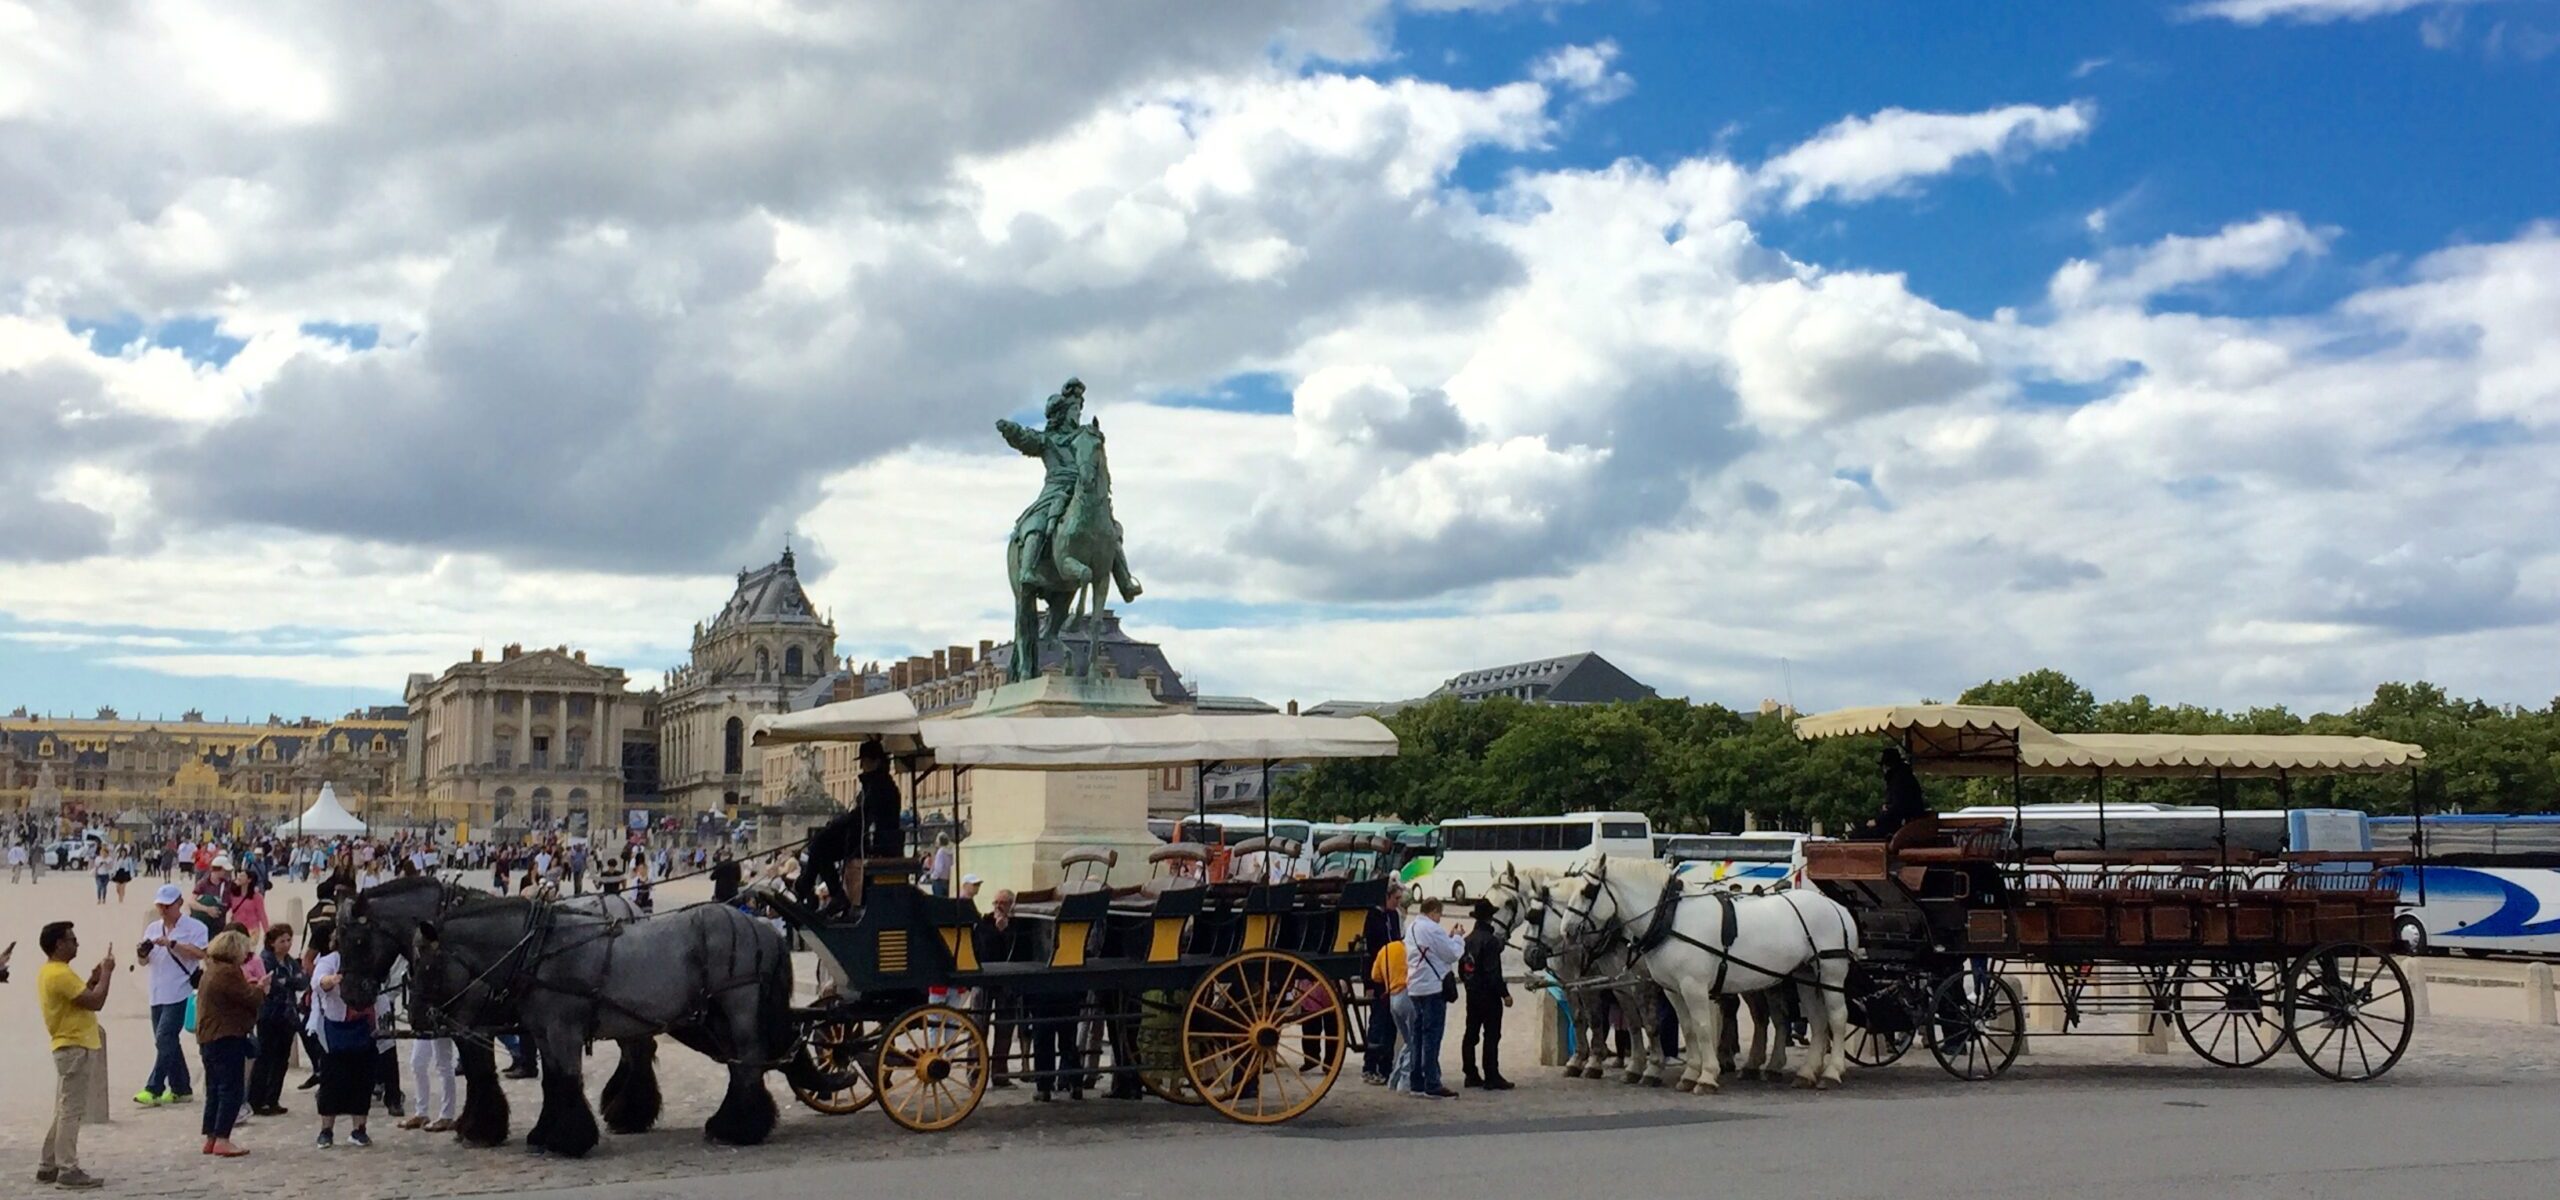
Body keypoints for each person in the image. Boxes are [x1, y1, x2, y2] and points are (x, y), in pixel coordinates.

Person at [36, 920, 113, 1190]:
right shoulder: (60, 974)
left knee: (64, 1108)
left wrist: (92, 979)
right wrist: (106, 974)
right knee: (71, 1111)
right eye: (72, 940)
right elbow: (96, 1001)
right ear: (59, 944)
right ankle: (67, 1168)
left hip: (70, 1044)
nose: (76, 943)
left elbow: (82, 997)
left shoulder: (54, 971)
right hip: (74, 1046)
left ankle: (49, 1163)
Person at [137, 882, 210, 1105]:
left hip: (181, 991)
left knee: (165, 1037)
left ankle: (154, 1087)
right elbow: (142, 962)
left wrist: (173, 943)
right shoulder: (152, 928)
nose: (163, 910)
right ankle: (181, 1087)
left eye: (167, 906)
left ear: (179, 903)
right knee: (166, 1042)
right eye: (160, 906)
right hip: (157, 991)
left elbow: (200, 953)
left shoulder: (195, 927)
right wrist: (142, 952)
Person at [195, 930, 265, 1157]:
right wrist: (261, 988)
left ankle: (212, 1137)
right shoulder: (228, 973)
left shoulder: (210, 969)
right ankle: (223, 1137)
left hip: (209, 1036)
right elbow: (249, 998)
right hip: (226, 1035)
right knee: (231, 1089)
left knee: (214, 1089)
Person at [307, 928, 374, 1148]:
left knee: (362, 1079)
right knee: (332, 1080)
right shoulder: (330, 960)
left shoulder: (367, 960)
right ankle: (326, 1130)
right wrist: (332, 980)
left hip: (362, 1023)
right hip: (336, 1026)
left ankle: (359, 1129)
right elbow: (318, 981)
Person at [1402, 897, 1462, 1099]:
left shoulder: (1411, 927)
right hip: (1433, 987)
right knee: (1432, 1036)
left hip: (1415, 986)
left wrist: (1448, 937)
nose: (1439, 918)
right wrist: (1458, 937)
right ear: (1434, 911)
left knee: (1417, 1036)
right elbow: (1452, 954)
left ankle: (1416, 1082)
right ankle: (1432, 1083)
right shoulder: (1432, 928)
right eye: (1439, 914)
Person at [249, 924, 306, 1116]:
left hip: (287, 1014)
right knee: (265, 1057)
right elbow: (272, 985)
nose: (287, 944)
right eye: (282, 940)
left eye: (289, 940)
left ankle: (273, 1098)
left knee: (281, 1059)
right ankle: (257, 1099)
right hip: (269, 1013)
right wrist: (287, 982)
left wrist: (286, 982)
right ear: (272, 943)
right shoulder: (266, 960)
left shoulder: (290, 962)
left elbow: (301, 981)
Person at [1459, 899, 1515, 1090]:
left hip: (1472, 993)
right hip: (1489, 996)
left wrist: (1469, 984)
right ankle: (1491, 1074)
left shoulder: (1467, 940)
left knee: (1470, 1034)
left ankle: (1470, 1073)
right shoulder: (1490, 942)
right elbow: (1493, 973)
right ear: (1490, 918)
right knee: (1491, 1035)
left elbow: (1463, 969)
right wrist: (1505, 994)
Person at [1361, 883, 1405, 1085]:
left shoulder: (1394, 916)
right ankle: (1370, 1066)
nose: (1398, 903)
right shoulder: (1372, 917)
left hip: (1393, 977)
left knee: (1392, 1023)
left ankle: (1386, 1067)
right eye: (1395, 899)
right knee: (1377, 1023)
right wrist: (1368, 982)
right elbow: (1367, 952)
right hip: (1377, 976)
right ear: (1386, 897)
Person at [1867, 745, 1930, 840]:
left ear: (1886, 766)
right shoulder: (1905, 776)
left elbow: (1898, 807)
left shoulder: (1898, 780)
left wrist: (1878, 820)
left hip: (1905, 824)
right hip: (1910, 821)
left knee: (1865, 834)